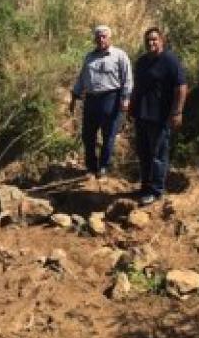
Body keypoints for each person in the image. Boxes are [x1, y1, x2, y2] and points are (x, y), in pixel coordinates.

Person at [129, 27, 188, 206]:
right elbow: (137, 88)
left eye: (154, 39)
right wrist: (132, 108)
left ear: (162, 41)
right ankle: (145, 186)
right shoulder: (141, 62)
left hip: (160, 117)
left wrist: (177, 112)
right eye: (148, 40)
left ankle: (156, 190)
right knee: (144, 153)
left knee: (158, 154)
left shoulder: (170, 60)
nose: (151, 43)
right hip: (142, 115)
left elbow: (181, 87)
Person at [69, 25, 133, 179]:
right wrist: (74, 97)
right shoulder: (89, 57)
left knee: (108, 134)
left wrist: (125, 99)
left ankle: (103, 167)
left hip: (111, 98)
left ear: (110, 38)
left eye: (104, 36)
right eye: (98, 37)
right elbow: (82, 78)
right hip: (91, 100)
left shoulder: (119, 55)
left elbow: (127, 79)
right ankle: (91, 167)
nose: (101, 39)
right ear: (94, 39)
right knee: (88, 135)